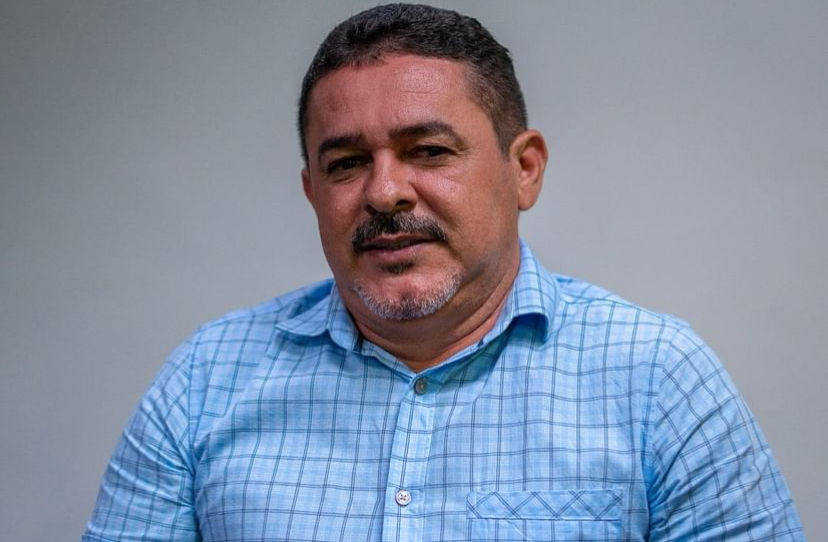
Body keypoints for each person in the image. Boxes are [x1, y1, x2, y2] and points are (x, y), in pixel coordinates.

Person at [83, 4, 805, 541]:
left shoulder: (657, 380)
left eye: (428, 151)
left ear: (524, 170)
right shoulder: (206, 381)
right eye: (346, 163)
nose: (384, 192)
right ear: (312, 192)